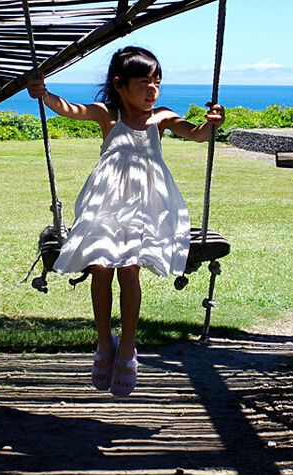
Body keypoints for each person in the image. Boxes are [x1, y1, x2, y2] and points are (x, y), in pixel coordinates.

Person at [27, 46, 224, 397]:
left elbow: (195, 134)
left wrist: (211, 125)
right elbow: (70, 109)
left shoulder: (160, 118)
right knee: (101, 267)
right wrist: (43, 94)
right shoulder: (108, 115)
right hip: (105, 206)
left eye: (157, 82)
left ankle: (128, 348)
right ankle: (105, 342)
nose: (153, 90)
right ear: (119, 85)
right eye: (145, 82)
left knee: (128, 270)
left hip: (146, 210)